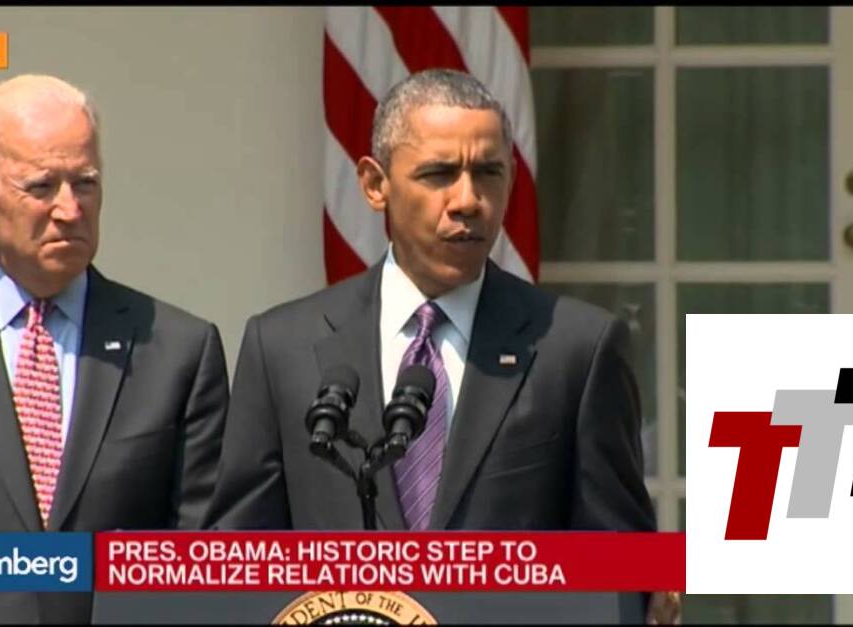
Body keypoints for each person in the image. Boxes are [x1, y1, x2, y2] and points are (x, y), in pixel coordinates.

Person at [207, 68, 679, 624]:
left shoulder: (577, 349)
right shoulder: (281, 347)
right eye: (438, 174)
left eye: (488, 173)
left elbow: (615, 565)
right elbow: (235, 563)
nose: (468, 200)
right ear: (374, 184)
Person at [0, 74, 229, 623]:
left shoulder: (177, 351)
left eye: (85, 183)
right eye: (42, 186)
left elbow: (201, 572)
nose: (70, 209)